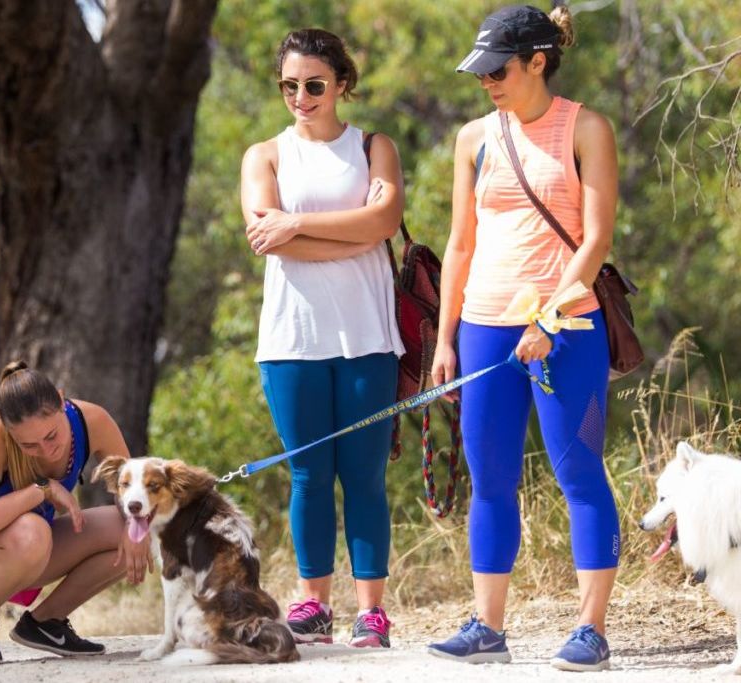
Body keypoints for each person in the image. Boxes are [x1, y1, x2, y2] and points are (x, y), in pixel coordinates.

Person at [427, 4, 620, 672]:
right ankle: (488, 625)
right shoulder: (474, 137)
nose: (487, 83)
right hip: (483, 323)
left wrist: (548, 316)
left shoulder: (586, 127)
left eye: (498, 70)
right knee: (490, 479)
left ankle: (590, 629)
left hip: (567, 325)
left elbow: (595, 238)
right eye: (480, 72)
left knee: (578, 473)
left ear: (538, 61)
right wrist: (444, 337)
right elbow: (459, 243)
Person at [239, 28, 405, 648]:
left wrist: (299, 225)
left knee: (363, 476)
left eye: (313, 85)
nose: (301, 97)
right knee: (308, 475)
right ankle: (313, 605)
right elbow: (263, 236)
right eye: (289, 86)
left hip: (367, 336)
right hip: (291, 340)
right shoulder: (265, 156)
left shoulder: (374, 147)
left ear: (341, 83)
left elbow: (384, 220)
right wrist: (354, 234)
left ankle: (371, 611)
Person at [0, 360, 152, 666]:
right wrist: (41, 489)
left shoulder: (92, 420)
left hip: (28, 548)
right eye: (29, 444)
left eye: (52, 436)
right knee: (32, 529)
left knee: (129, 527)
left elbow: (131, 489)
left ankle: (46, 623)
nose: (45, 449)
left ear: (60, 399)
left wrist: (137, 528)